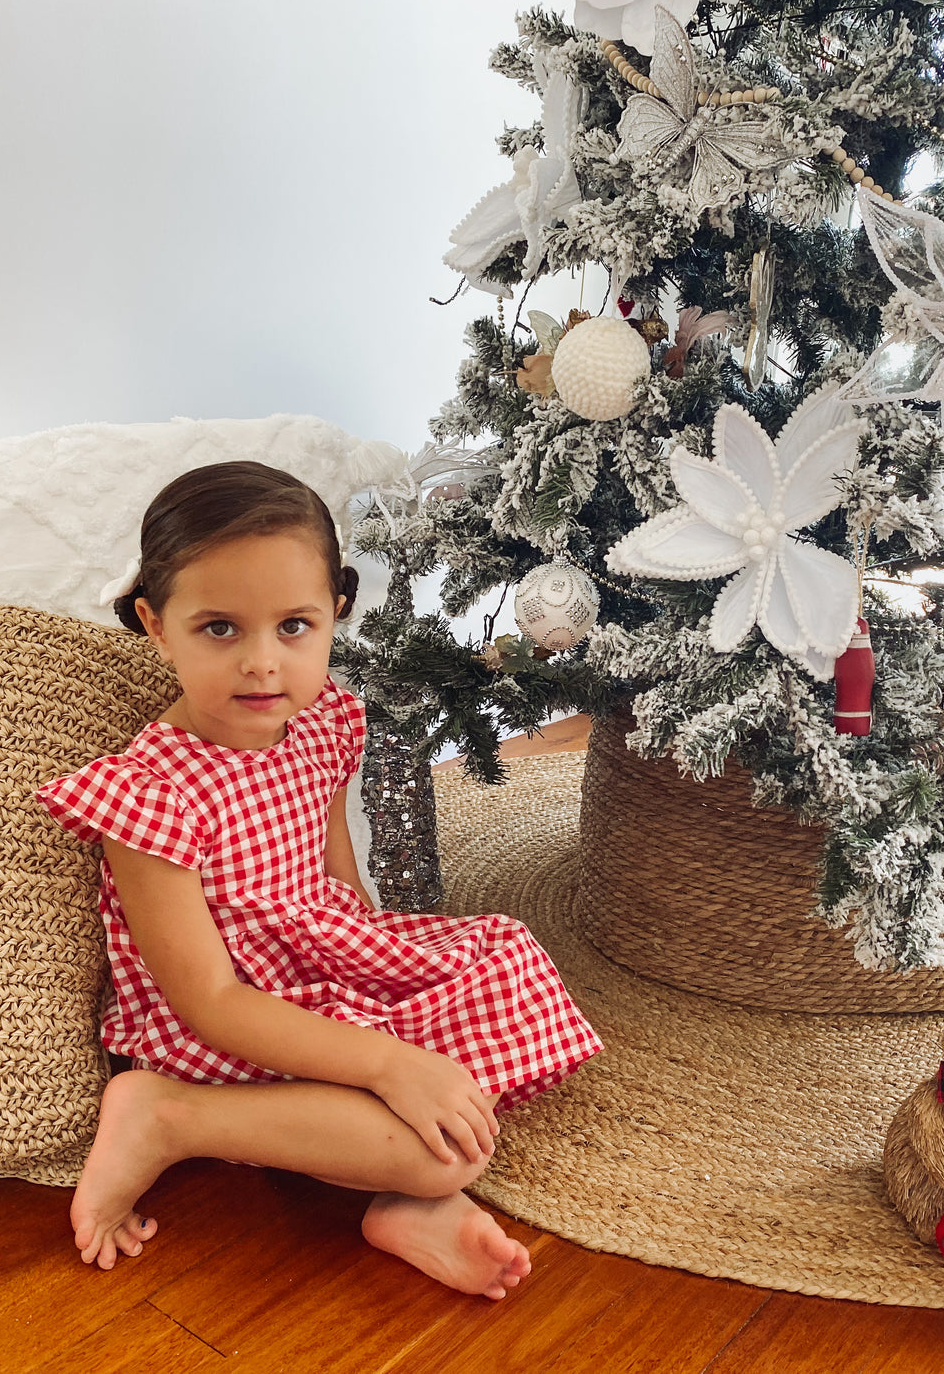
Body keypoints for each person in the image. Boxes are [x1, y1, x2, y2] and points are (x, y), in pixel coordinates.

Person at [33, 460, 602, 1300]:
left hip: (315, 969)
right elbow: (210, 1001)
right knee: (443, 1142)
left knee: (505, 952)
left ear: (334, 613)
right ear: (157, 626)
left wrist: (383, 990)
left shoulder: (320, 720)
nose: (263, 664)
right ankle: (165, 1115)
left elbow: (340, 878)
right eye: (219, 629)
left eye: (293, 626)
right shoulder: (149, 792)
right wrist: (383, 1062)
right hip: (223, 1026)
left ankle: (405, 1205)